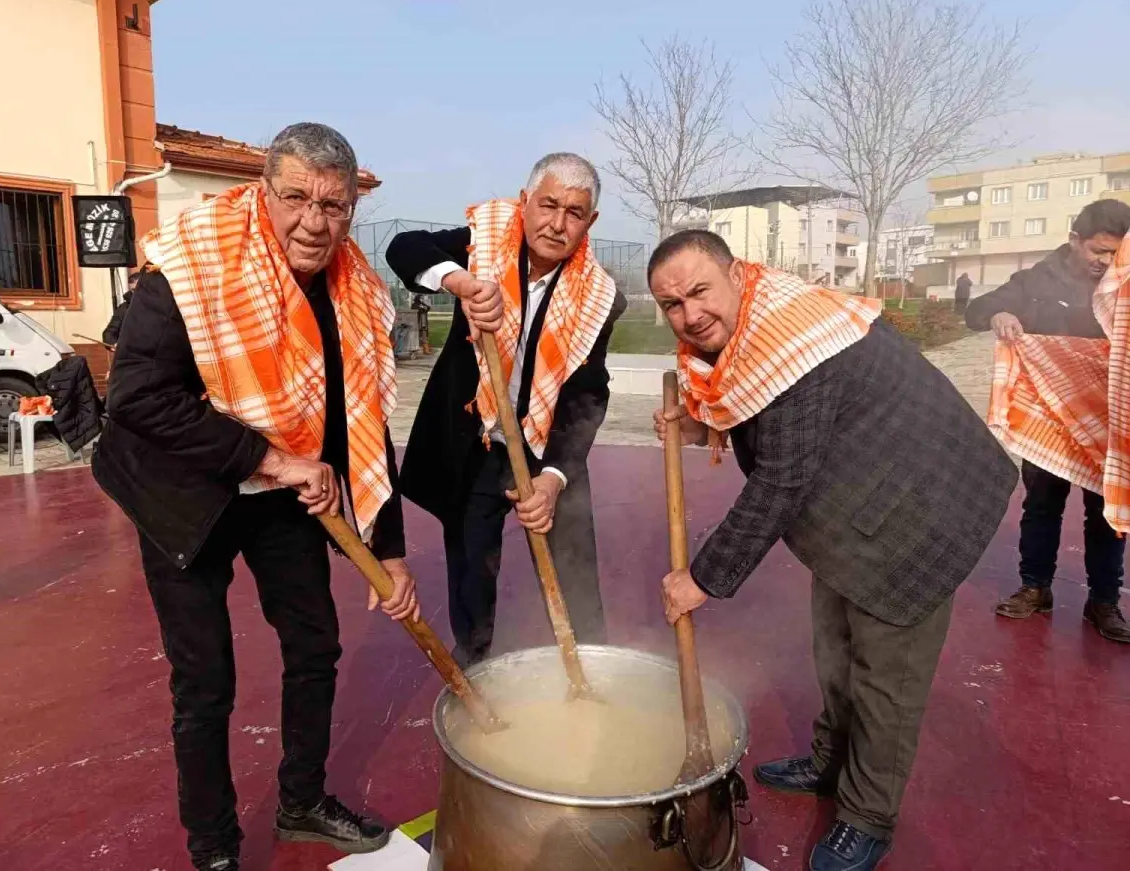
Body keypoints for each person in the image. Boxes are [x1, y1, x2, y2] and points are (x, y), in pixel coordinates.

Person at [93, 123, 418, 871]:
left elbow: (359, 417)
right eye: (297, 197)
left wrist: (389, 549)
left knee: (315, 642)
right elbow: (138, 399)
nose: (315, 221)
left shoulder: (352, 290)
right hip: (182, 484)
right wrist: (270, 456)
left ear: (350, 209)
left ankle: (303, 799)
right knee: (205, 677)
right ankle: (213, 848)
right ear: (264, 192)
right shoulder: (194, 261)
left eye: (334, 206)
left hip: (282, 482)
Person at [649, 230, 1016, 871]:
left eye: (699, 291)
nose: (689, 315)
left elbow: (783, 477)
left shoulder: (794, 336)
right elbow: (769, 412)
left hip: (917, 514)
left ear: (736, 274)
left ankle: (867, 816)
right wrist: (705, 424)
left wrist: (702, 578)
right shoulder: (757, 326)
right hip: (859, 504)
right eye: (672, 305)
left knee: (885, 678)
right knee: (835, 647)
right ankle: (829, 760)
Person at [386, 153, 626, 668]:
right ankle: (476, 670)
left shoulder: (601, 296)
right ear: (525, 201)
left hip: (548, 446)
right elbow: (404, 247)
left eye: (575, 213)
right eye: (548, 205)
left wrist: (555, 478)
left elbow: (587, 393)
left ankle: (591, 668)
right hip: (478, 441)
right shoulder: (484, 244)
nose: (558, 224)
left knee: (574, 567)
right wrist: (461, 284)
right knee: (473, 570)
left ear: (591, 221)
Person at [966, 198, 1130, 643]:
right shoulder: (1037, 280)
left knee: (1107, 514)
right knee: (1041, 506)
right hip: (1049, 419)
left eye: (1115, 253)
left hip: (1106, 419)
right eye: (1098, 251)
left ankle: (1104, 601)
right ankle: (1035, 587)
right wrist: (999, 314)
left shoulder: (1124, 284)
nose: (1105, 262)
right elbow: (977, 308)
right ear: (1074, 239)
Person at [101, 267, 144, 347]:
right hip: (131, 353)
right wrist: (113, 343)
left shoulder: (159, 305)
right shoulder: (123, 309)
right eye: (133, 290)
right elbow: (109, 332)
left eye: (139, 289)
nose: (136, 293)